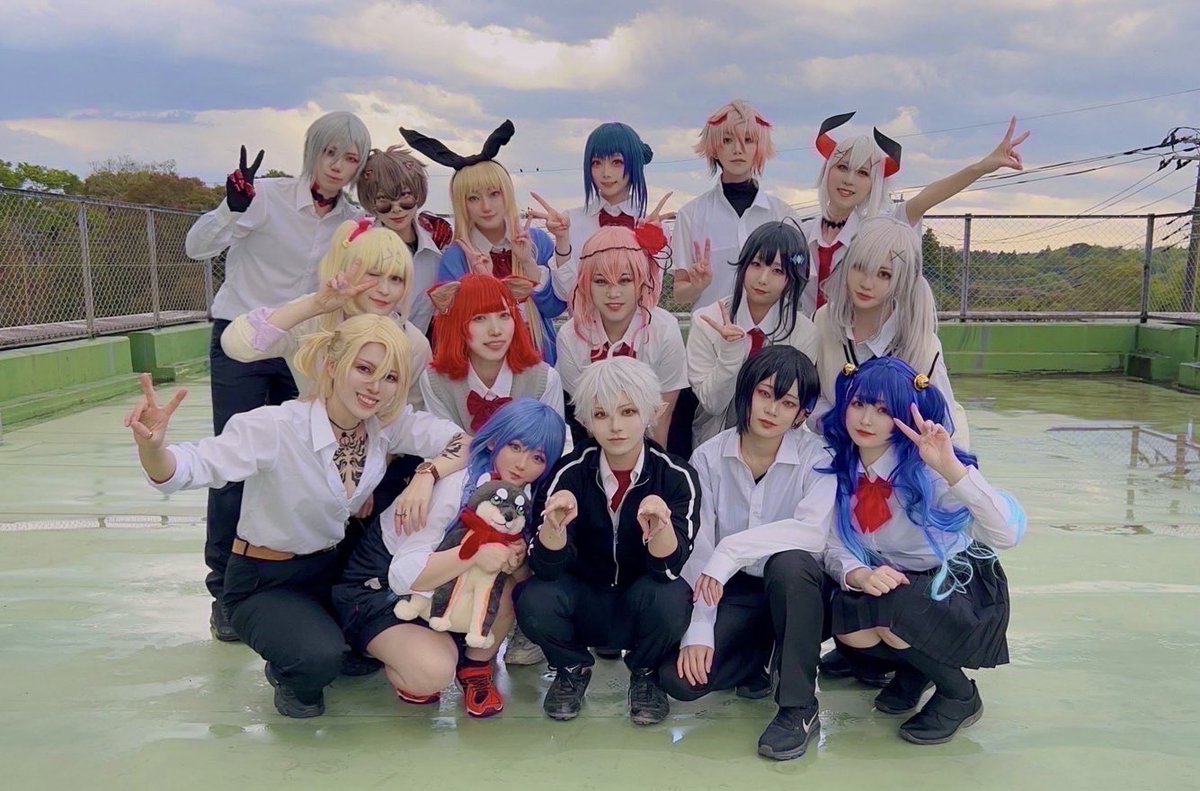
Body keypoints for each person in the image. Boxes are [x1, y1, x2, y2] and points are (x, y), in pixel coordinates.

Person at [126, 314, 469, 718]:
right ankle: (291, 669)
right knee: (317, 660)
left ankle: (332, 638)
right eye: (364, 369)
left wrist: (427, 474)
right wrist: (153, 449)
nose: (376, 386)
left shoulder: (383, 427)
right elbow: (193, 466)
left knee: (364, 653)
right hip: (266, 578)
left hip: (334, 571)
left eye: (390, 377)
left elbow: (461, 442)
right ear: (332, 366)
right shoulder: (276, 427)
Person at [184, 111, 371, 642]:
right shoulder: (264, 196)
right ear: (312, 150)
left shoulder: (354, 222)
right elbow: (197, 247)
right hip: (244, 340)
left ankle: (302, 582)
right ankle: (224, 591)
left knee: (311, 460)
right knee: (233, 465)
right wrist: (231, 206)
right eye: (330, 153)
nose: (337, 166)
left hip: (305, 347)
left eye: (350, 158)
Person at [821, 356, 1025, 744]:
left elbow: (1006, 534)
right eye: (859, 403)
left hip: (955, 587)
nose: (866, 419)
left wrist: (951, 468)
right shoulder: (839, 465)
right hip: (889, 578)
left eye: (884, 410)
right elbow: (833, 543)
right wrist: (859, 574)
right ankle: (914, 670)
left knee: (891, 609)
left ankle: (959, 695)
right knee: (847, 618)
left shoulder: (928, 470)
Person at [332, 399, 567, 717]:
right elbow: (402, 574)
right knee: (433, 673)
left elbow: (523, 581)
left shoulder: (525, 496)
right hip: (382, 588)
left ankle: (475, 668)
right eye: (515, 446)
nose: (522, 464)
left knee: (510, 584)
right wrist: (475, 554)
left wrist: (517, 560)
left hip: (444, 592)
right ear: (495, 440)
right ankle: (400, 656)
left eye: (538, 457)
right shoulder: (456, 483)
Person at [660, 346, 835, 760]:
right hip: (732, 591)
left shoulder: (817, 458)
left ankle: (798, 707)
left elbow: (813, 533)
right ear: (747, 392)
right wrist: (700, 627)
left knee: (790, 563)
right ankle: (762, 654)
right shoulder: (708, 457)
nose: (772, 410)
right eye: (765, 394)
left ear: (801, 414)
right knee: (679, 681)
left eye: (787, 402)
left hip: (798, 592)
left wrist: (732, 549)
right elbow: (699, 550)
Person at [516, 357, 700, 725]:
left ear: (653, 412)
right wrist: (555, 526)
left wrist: (660, 525)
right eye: (601, 415)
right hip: (583, 599)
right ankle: (572, 668)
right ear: (585, 420)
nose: (616, 426)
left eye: (628, 411)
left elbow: (667, 570)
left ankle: (646, 673)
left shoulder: (676, 475)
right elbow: (546, 569)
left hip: (640, 602)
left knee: (674, 596)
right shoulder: (569, 472)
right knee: (533, 597)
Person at [802, 113, 1029, 314]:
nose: (849, 180)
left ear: (874, 184)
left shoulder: (880, 229)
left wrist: (981, 167)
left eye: (862, 173)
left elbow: (925, 198)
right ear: (827, 170)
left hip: (860, 343)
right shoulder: (801, 233)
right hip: (809, 341)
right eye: (842, 167)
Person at [400, 120, 568, 364]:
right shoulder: (456, 257)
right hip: (481, 369)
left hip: (539, 365)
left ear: (507, 194)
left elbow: (554, 308)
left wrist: (528, 263)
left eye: (494, 194)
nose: (486, 206)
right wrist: (481, 285)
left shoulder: (538, 241)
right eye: (473, 198)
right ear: (461, 203)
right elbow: (450, 328)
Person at [220, 218, 431, 410]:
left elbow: (412, 413)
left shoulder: (413, 343)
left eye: (396, 279)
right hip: (307, 434)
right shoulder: (312, 320)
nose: (384, 290)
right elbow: (237, 345)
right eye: (374, 274)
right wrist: (315, 305)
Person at [810, 216, 969, 447]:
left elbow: (946, 424)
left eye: (884, 274)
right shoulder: (823, 320)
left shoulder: (922, 344)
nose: (866, 283)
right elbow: (810, 396)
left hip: (899, 460)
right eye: (860, 267)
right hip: (833, 451)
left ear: (903, 281)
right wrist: (837, 424)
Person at [687, 220, 818, 447]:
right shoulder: (707, 321)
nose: (763, 279)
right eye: (756, 264)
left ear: (792, 279)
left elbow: (793, 404)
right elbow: (712, 404)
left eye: (777, 270)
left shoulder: (805, 333)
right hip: (713, 445)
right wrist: (731, 353)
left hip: (775, 446)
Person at [556, 225, 686, 447]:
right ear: (586, 283)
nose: (613, 293)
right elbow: (589, 422)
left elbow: (661, 418)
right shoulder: (570, 337)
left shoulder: (665, 330)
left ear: (641, 281)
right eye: (601, 281)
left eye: (625, 280)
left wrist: (652, 466)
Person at [670, 99, 798, 309]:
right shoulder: (690, 215)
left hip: (770, 328)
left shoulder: (783, 214)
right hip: (710, 328)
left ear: (759, 147)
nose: (738, 149)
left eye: (748, 140)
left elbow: (797, 276)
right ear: (714, 148)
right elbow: (680, 293)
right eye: (727, 140)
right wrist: (696, 286)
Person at [418, 274, 567, 446]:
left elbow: (553, 448)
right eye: (479, 318)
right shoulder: (435, 382)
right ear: (456, 324)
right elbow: (442, 450)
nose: (496, 330)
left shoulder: (545, 380)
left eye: (504, 315)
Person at [532, 121, 661, 301]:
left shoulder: (651, 225)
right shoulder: (571, 221)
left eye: (617, 162)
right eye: (597, 163)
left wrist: (651, 241)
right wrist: (562, 240)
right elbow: (565, 294)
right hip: (583, 320)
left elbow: (651, 296)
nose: (606, 173)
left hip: (638, 320)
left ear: (634, 164)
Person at [355, 145, 454, 335]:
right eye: (383, 200)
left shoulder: (440, 240)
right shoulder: (359, 245)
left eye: (405, 197)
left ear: (418, 194)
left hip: (420, 348)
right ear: (370, 202)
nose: (396, 209)